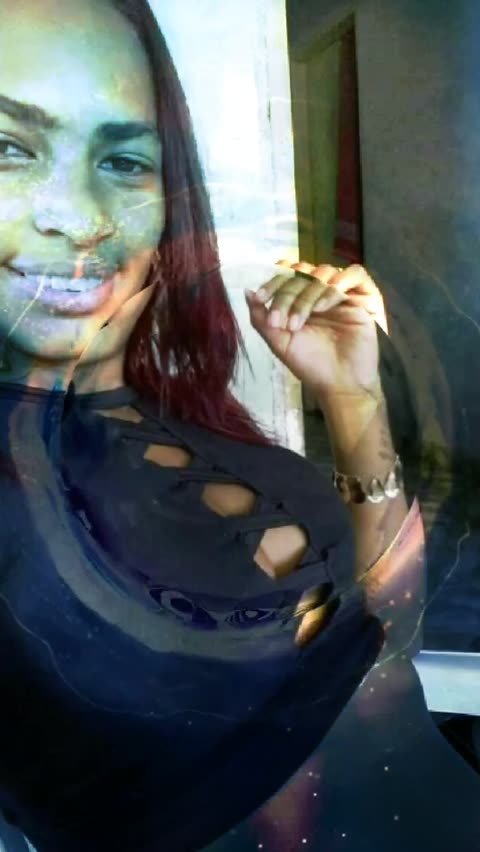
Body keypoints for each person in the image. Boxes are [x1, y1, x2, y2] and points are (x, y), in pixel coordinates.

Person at [0, 0, 424, 850]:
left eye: (124, 160)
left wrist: (354, 398)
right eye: (9, 149)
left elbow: (389, 641)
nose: (81, 219)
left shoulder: (201, 424)